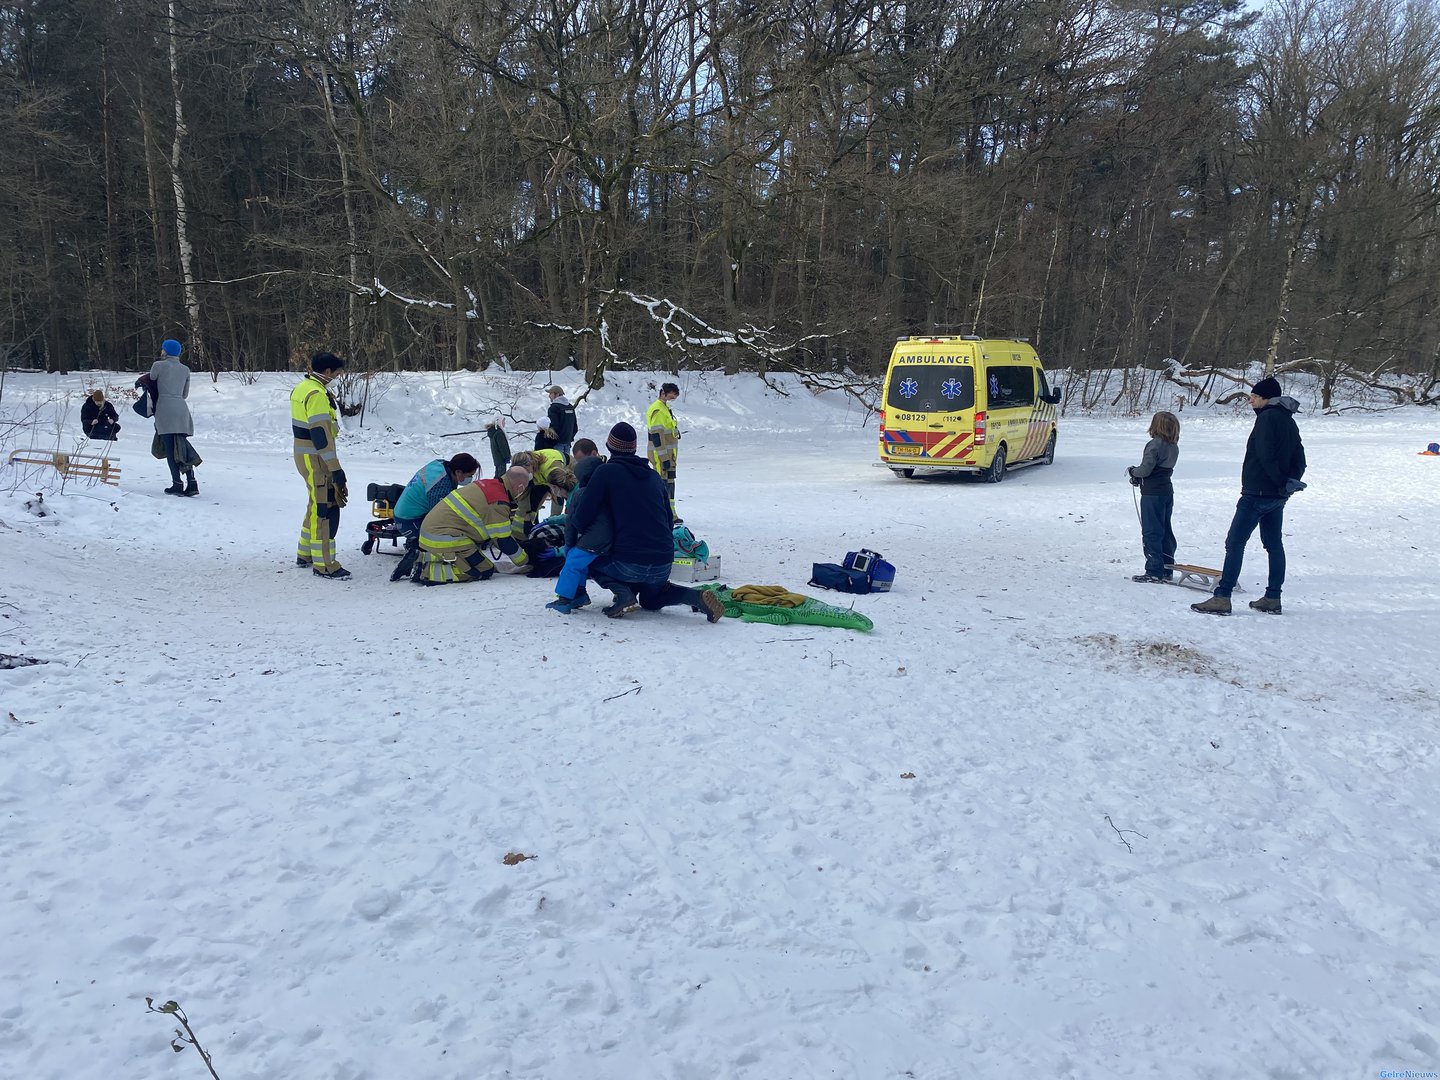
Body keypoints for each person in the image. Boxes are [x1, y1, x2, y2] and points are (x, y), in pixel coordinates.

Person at [565, 422, 724, 623]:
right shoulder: (653, 476)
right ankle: (695, 597)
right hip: (663, 562)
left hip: (627, 563)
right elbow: (668, 520)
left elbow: (582, 518)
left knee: (587, 556)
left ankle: (623, 593)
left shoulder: (604, 474)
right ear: (633, 447)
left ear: (609, 447)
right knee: (651, 600)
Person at [1192, 377, 1307, 616]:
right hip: (1277, 496)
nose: (1250, 400)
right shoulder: (1288, 420)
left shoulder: (1266, 419)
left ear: (1266, 398)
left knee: (1234, 543)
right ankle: (1273, 597)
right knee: (1274, 546)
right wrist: (1288, 484)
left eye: (1254, 396)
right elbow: (1300, 458)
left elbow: (1265, 456)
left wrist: (1279, 483)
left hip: (1257, 493)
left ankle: (1222, 597)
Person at [413, 466, 532, 584]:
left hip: (433, 533)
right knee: (483, 571)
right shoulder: (498, 501)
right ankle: (425, 571)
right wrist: (526, 560)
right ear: (520, 487)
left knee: (481, 564)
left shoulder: (490, 484)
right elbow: (503, 540)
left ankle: (425, 557)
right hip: (443, 538)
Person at [291, 351, 351, 579]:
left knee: (315, 502)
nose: (338, 375)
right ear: (327, 372)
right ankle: (325, 564)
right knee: (325, 507)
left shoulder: (303, 387)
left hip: (303, 455)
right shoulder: (316, 394)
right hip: (317, 458)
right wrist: (335, 468)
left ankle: (305, 553)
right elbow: (321, 436)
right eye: (336, 372)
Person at [388, 453, 482, 582]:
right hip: (409, 520)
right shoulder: (441, 485)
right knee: (440, 541)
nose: (470, 479)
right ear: (459, 472)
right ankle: (417, 558)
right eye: (469, 476)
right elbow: (439, 516)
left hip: (404, 513)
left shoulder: (441, 466)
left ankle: (416, 547)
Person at [545, 449, 611, 613]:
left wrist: (567, 546)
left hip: (595, 539)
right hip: (606, 537)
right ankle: (580, 594)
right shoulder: (604, 490)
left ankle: (565, 599)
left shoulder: (580, 494)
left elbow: (571, 524)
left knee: (572, 563)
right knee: (579, 564)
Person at [1128, 411, 1180, 584]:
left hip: (1152, 493)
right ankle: (1167, 566)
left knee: (1151, 530)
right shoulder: (1174, 446)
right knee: (1165, 529)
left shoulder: (1154, 445)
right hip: (1167, 491)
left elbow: (1145, 469)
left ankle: (1154, 570)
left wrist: (1133, 471)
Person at [150, 339, 198, 496]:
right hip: (181, 409)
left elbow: (150, 381)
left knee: (171, 450)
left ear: (165, 351)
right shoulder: (185, 369)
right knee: (182, 447)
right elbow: (185, 394)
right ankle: (192, 483)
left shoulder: (158, 365)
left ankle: (177, 484)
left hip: (165, 409)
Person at [646, 382, 681, 519]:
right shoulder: (658, 410)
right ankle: (661, 514)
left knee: (670, 484)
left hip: (669, 456)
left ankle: (671, 514)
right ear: (663, 393)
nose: (672, 400)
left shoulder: (665, 409)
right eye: (671, 396)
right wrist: (664, 459)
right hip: (661, 455)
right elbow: (657, 437)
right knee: (662, 485)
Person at [509, 448, 570, 524]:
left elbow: (565, 490)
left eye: (525, 472)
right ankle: (532, 523)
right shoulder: (526, 462)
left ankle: (554, 524)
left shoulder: (551, 469)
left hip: (561, 474)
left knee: (559, 499)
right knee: (531, 501)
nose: (524, 475)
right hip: (540, 476)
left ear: (530, 464)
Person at [535, 385, 578, 459]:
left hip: (557, 444)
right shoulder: (570, 407)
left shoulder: (554, 408)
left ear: (556, 394)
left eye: (550, 393)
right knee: (566, 466)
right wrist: (569, 439)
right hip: (567, 443)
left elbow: (554, 426)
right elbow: (575, 427)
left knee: (558, 465)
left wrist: (551, 441)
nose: (549, 396)